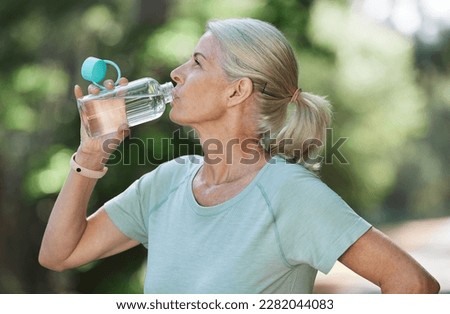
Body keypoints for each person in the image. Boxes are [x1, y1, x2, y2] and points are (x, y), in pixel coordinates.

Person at [39, 18, 440, 294]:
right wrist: (90, 153)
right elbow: (60, 254)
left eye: (197, 62)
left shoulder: (289, 194)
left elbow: (413, 284)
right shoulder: (168, 182)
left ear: (237, 91)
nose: (176, 72)